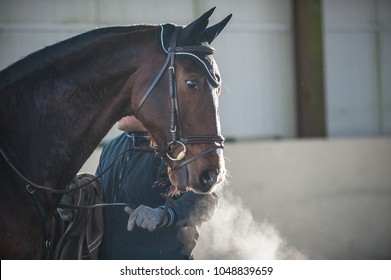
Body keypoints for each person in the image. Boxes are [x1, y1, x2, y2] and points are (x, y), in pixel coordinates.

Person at [96, 116, 218, 259]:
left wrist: (164, 214)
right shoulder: (111, 147)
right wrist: (72, 203)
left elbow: (207, 198)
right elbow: (96, 196)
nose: (120, 109)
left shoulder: (177, 148)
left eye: (127, 103)